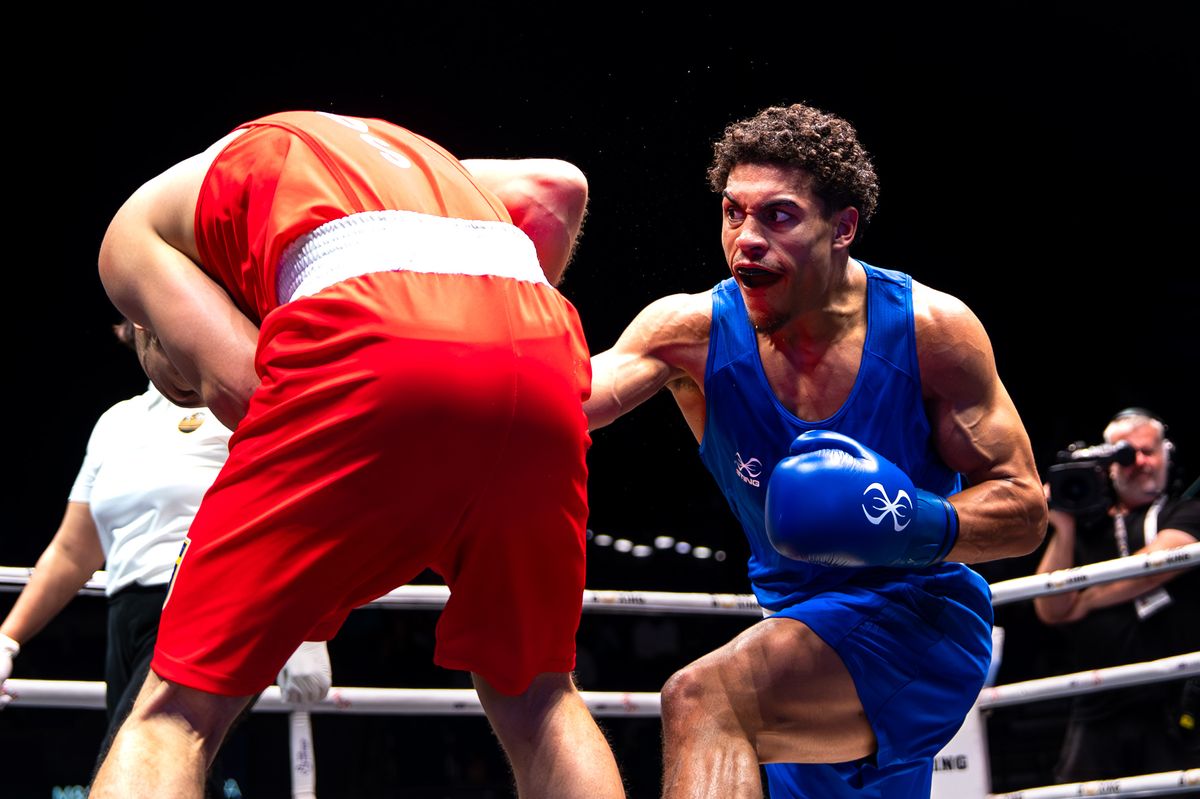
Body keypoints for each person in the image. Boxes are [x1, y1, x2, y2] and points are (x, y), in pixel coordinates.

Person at [89, 110, 623, 799]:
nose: (186, 391)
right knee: (542, 699)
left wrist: (305, 596)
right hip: (540, 350)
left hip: (369, 337)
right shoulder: (392, 156)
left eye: (174, 376)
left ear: (146, 327)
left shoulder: (129, 238)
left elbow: (245, 388)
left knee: (173, 715)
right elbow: (558, 187)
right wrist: (470, 378)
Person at [584, 102, 1048, 798]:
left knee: (705, 700)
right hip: (796, 633)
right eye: (732, 212)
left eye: (777, 216)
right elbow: (565, 401)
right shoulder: (688, 333)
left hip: (921, 616)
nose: (746, 239)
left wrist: (907, 521)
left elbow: (1024, 507)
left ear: (844, 228)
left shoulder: (929, 331)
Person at [0, 320, 332, 797]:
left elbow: (302, 500)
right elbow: (74, 550)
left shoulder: (241, 391)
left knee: (139, 761)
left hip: (214, 601)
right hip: (125, 619)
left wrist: (308, 629)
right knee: (177, 767)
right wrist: (8, 637)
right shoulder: (116, 422)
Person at [1034, 408, 1199, 787]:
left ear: (1166, 455)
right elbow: (1051, 608)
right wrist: (1063, 525)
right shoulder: (1087, 530)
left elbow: (1155, 567)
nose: (1138, 462)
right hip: (1098, 704)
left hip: (1175, 702)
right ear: (1107, 464)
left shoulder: (1185, 511)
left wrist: (1087, 599)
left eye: (1148, 451)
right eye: (1125, 454)